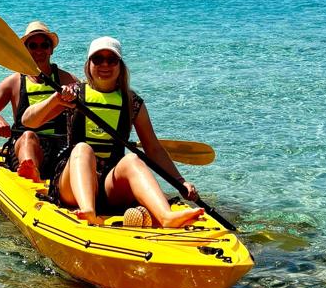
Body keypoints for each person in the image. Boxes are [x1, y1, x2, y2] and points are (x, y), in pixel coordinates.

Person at [23, 36, 205, 228]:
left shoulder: (132, 102)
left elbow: (153, 148)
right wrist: (54, 100)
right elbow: (28, 121)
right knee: (83, 148)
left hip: (110, 186)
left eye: (111, 60)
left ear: (120, 65)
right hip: (71, 185)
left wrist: (180, 181)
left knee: (132, 159)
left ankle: (165, 216)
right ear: (89, 64)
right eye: (98, 59)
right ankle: (88, 210)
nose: (105, 65)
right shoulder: (73, 94)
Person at [0, 21, 76, 181]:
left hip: (59, 148)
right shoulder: (14, 82)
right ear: (25, 50)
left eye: (44, 45)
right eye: (33, 46)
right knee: (28, 136)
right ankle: (30, 171)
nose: (39, 50)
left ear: (51, 49)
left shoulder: (67, 79)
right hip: (25, 146)